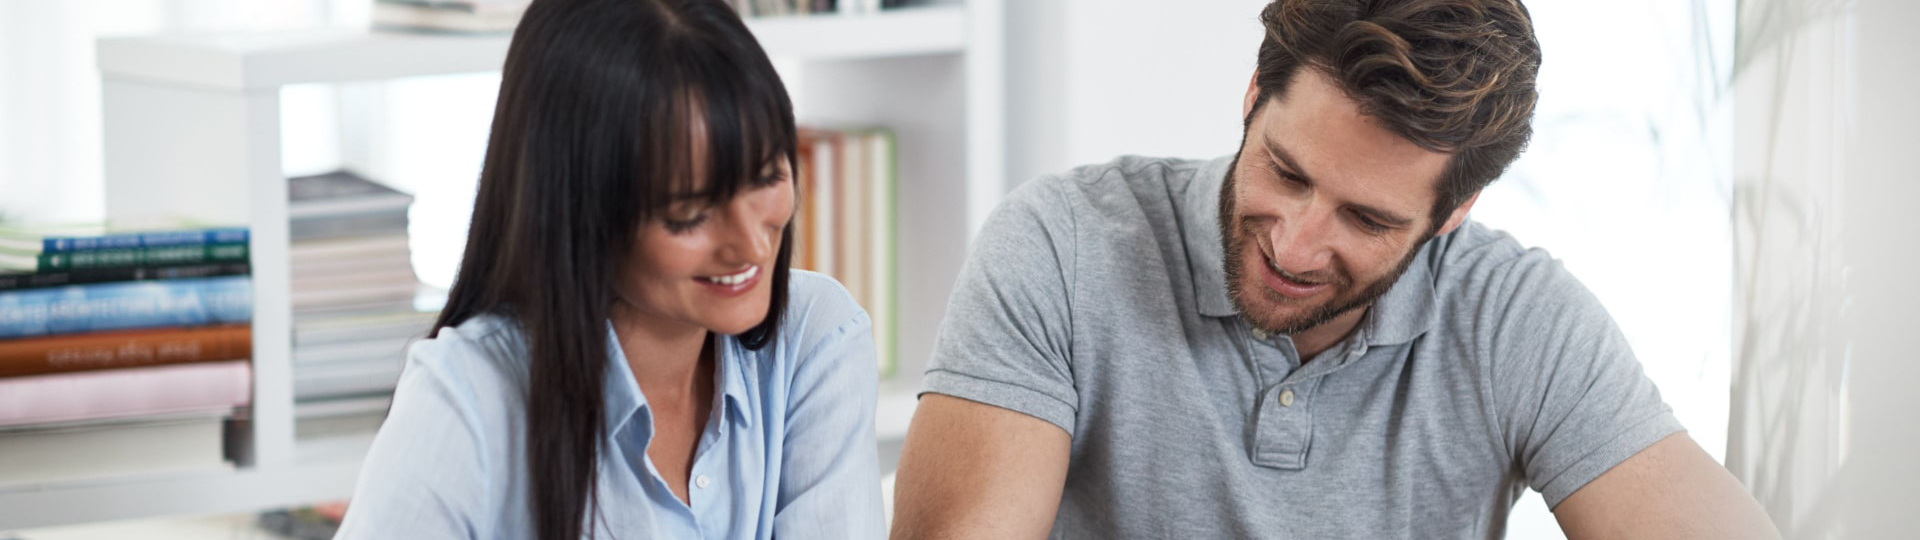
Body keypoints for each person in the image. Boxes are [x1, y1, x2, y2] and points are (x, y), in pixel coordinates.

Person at [891, 0, 1779, 538]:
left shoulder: (1517, 319)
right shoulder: (1063, 244)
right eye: (1286, 170)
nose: (1296, 245)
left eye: (1366, 218)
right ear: (1252, 99)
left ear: (1452, 214)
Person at [334, 0, 883, 538]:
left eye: (766, 177)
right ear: (580, 210)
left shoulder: (815, 339)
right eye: (690, 215)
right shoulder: (467, 398)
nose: (749, 245)